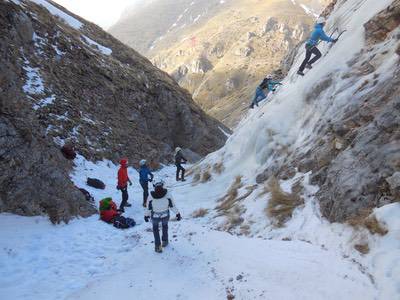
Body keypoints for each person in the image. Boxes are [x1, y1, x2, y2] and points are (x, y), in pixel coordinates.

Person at [144, 180, 181, 253]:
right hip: (165, 215)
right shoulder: (168, 194)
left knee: (155, 229)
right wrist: (177, 213)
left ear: (154, 187)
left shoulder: (151, 196)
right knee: (165, 226)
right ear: (163, 186)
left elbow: (148, 208)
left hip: (155, 215)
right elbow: (172, 206)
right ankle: (165, 241)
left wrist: (146, 215)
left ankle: (158, 247)